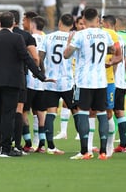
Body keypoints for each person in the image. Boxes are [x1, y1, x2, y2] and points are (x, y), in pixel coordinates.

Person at [0, 11, 50, 158]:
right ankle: (6, 148)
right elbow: (26, 58)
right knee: (9, 114)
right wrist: (41, 76)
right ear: (14, 23)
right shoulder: (17, 38)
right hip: (13, 81)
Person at [64, 8, 114, 160]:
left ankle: (85, 151)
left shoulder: (79, 35)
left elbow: (67, 54)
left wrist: (69, 41)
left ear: (84, 19)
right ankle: (103, 152)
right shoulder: (105, 34)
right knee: (102, 114)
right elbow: (113, 49)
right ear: (97, 19)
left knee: (83, 113)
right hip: (101, 81)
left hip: (84, 81)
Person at [39, 14, 75, 155]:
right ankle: (85, 146)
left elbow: (40, 57)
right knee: (76, 111)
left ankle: (51, 147)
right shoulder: (73, 38)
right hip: (67, 81)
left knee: (51, 112)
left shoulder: (48, 37)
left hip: (51, 81)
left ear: (59, 22)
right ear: (72, 25)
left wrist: (43, 74)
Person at [10, 10, 39, 154]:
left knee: (5, 111)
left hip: (1, 78)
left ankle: (4, 142)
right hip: (22, 77)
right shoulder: (26, 36)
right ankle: (21, 142)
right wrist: (37, 73)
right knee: (20, 111)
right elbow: (35, 58)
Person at [23, 16, 46, 153]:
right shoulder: (47, 38)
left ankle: (28, 142)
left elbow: (34, 58)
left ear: (32, 25)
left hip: (30, 80)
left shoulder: (29, 39)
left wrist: (35, 71)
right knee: (40, 112)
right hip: (42, 82)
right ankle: (41, 143)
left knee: (24, 111)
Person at [101, 15, 122, 157]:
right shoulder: (88, 35)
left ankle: (109, 145)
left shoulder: (112, 34)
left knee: (109, 112)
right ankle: (87, 148)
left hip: (108, 79)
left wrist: (111, 62)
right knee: (91, 112)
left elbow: (119, 55)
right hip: (92, 81)